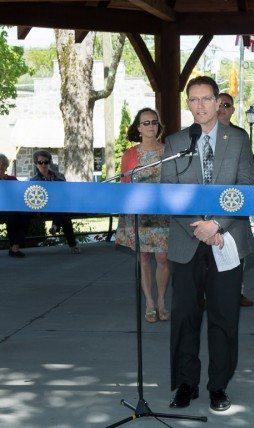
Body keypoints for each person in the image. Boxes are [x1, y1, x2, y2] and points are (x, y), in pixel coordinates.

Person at [160, 76, 254, 411]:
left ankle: (218, 386)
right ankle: (186, 384)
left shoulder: (239, 139)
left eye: (205, 99)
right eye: (193, 100)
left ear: (218, 102)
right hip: (187, 243)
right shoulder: (174, 142)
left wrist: (217, 225)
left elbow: (245, 189)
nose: (199, 106)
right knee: (185, 316)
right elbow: (169, 193)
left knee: (223, 317)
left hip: (227, 241)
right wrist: (198, 228)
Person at [115, 108, 170, 323]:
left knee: (163, 258)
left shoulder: (168, 151)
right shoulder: (130, 155)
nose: (150, 126)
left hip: (162, 212)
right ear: (138, 128)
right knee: (144, 257)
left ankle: (162, 300)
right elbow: (124, 185)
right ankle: (149, 302)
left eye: (154, 122)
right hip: (138, 213)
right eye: (145, 123)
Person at [217, 92, 254, 307]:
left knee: (237, 250)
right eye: (219, 104)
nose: (222, 108)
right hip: (207, 206)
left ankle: (237, 292)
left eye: (227, 105)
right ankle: (205, 295)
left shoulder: (240, 136)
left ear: (232, 110)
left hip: (234, 202)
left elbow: (247, 175)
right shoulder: (199, 134)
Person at [30, 150, 80, 254]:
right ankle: (72, 245)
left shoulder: (59, 176)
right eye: (40, 162)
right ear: (36, 164)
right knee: (63, 211)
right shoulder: (33, 180)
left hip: (58, 206)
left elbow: (65, 192)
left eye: (46, 162)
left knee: (62, 210)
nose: (43, 164)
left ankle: (55, 226)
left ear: (50, 163)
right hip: (43, 208)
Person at [0, 154, 30, 258]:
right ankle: (14, 248)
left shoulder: (12, 179)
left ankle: (15, 247)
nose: (1, 166)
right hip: (3, 210)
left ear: (5, 166)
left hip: (12, 208)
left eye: (3, 164)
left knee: (25, 216)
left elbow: (20, 193)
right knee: (11, 216)